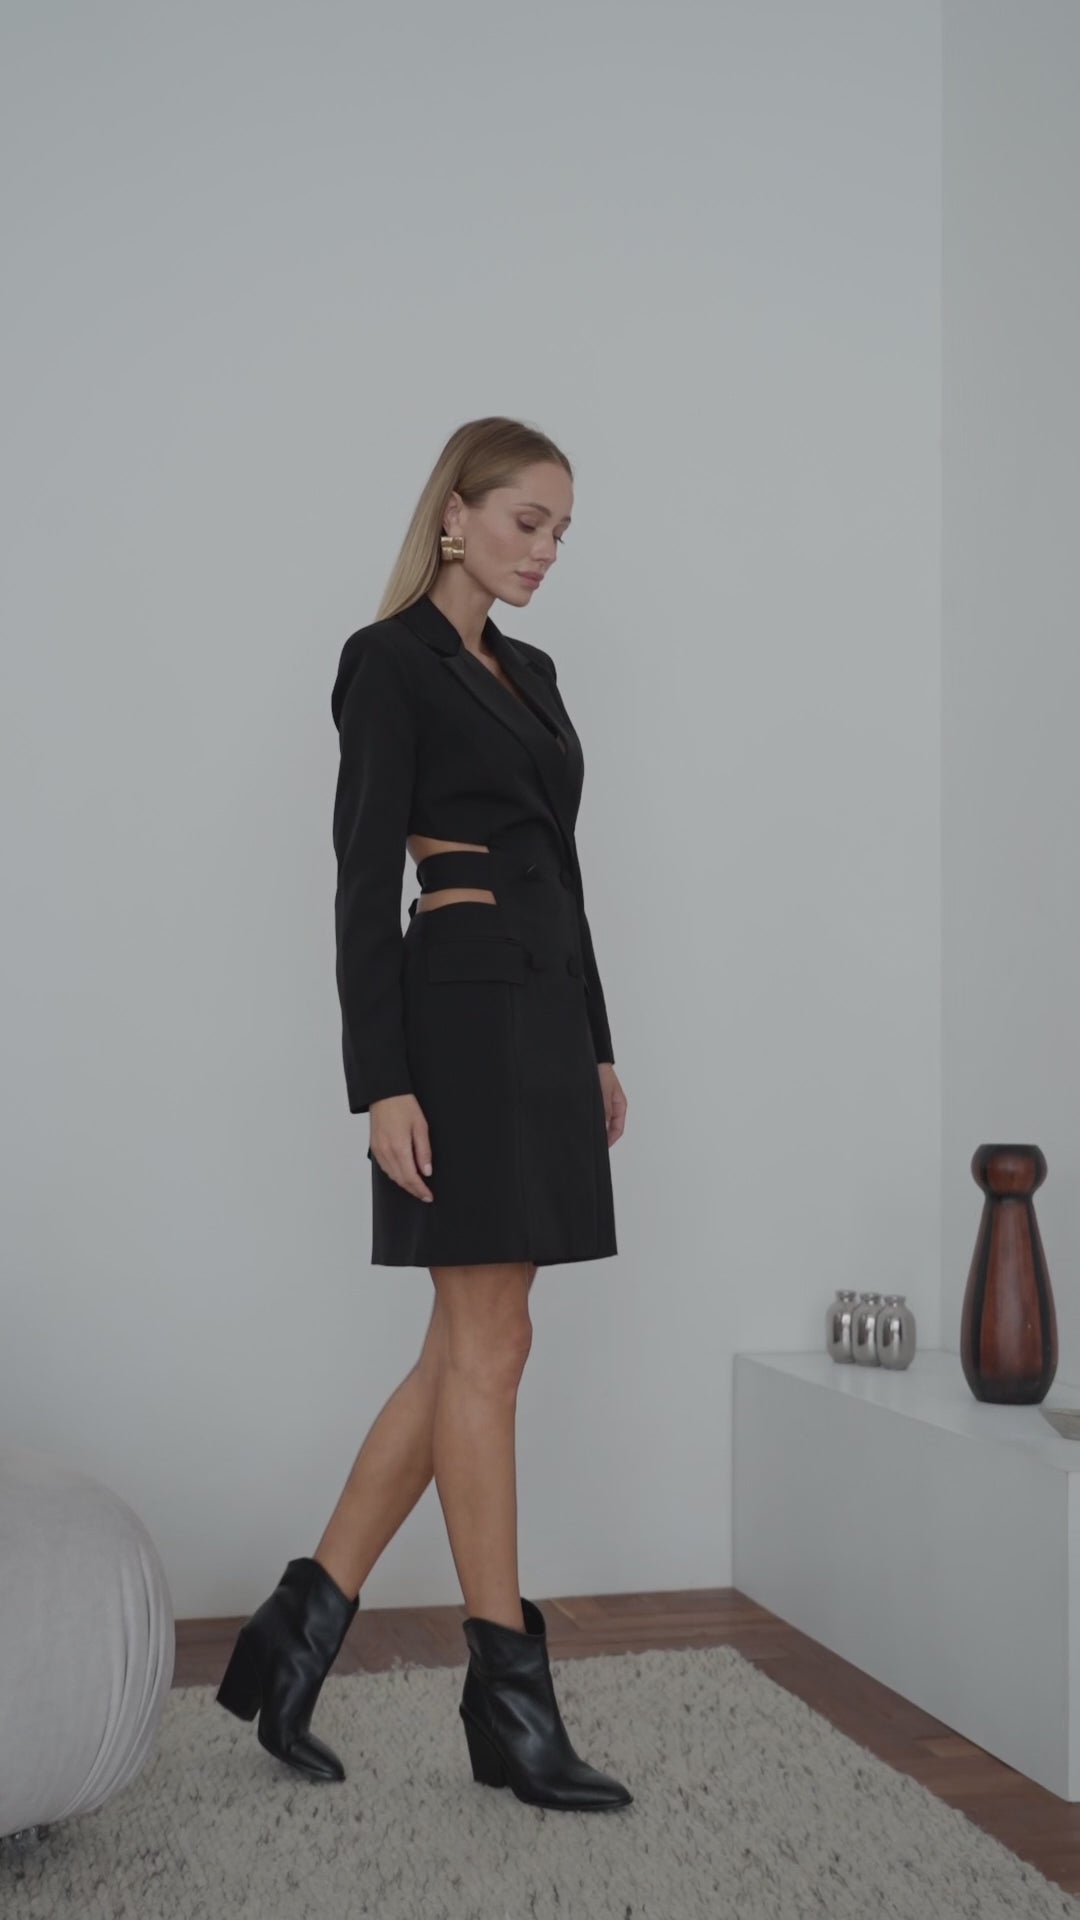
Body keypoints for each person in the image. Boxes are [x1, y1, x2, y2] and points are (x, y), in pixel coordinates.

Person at [216, 416, 631, 1813]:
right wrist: (379, 1080)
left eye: (562, 530)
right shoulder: (385, 662)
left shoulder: (536, 674)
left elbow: (563, 866)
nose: (546, 550)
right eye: (527, 520)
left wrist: (597, 1042)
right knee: (489, 1347)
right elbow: (357, 884)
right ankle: (509, 1695)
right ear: (454, 514)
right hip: (455, 1027)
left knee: (473, 1343)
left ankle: (295, 1633)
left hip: (543, 1022)